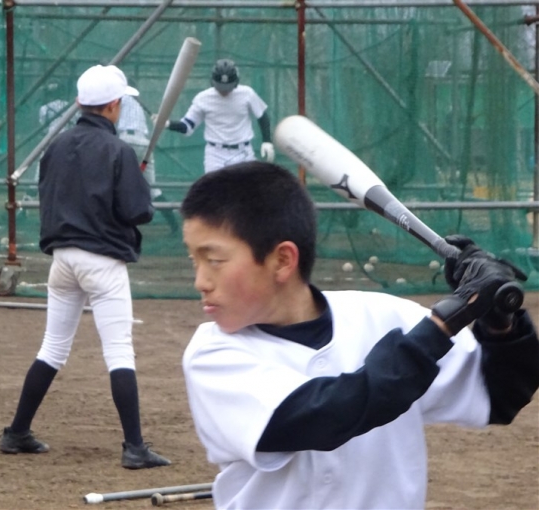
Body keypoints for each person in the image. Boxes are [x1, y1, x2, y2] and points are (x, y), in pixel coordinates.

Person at [179, 161, 539, 509]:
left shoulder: (385, 316)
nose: (200, 282)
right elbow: (325, 416)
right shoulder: (212, 356)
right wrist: (448, 319)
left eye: (214, 261)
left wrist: (498, 318)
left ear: (283, 260)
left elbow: (500, 396)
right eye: (195, 261)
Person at [0, 64, 171, 470]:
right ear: (111, 106)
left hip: (62, 260)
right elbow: (138, 211)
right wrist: (138, 184)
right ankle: (134, 447)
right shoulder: (118, 151)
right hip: (102, 262)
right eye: (119, 102)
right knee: (119, 351)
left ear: (80, 102)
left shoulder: (56, 146)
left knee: (52, 348)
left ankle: (16, 432)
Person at [163, 58, 275, 173]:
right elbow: (187, 126)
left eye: (228, 87)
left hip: (243, 152)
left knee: (247, 185)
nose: (224, 91)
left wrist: (267, 141)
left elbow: (262, 116)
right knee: (215, 184)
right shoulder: (203, 98)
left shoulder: (247, 94)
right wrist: (167, 124)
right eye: (220, 87)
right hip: (215, 155)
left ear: (236, 82)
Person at [117, 93, 180, 235]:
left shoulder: (122, 97)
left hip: (127, 141)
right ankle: (174, 225)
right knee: (153, 189)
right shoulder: (138, 102)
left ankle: (120, 226)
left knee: (119, 184)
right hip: (145, 144)